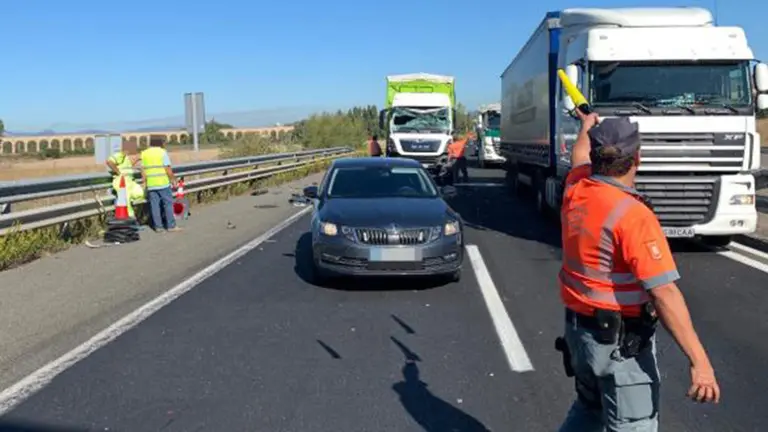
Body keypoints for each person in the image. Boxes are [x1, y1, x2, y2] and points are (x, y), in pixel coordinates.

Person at [557, 109, 720, 431]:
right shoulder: (632, 215)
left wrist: (584, 127)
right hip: (618, 345)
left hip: (580, 336)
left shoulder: (577, 189)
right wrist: (700, 362)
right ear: (638, 158)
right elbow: (664, 293)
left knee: (589, 409)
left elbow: (577, 159)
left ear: (595, 157)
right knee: (634, 425)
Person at [140, 138, 181, 232]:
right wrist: (173, 180)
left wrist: (144, 182)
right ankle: (171, 226)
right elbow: (167, 169)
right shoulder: (162, 152)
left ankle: (158, 227)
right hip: (163, 183)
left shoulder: (144, 153)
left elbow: (142, 169)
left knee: (154, 206)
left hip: (151, 184)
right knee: (168, 204)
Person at [106, 141, 144, 218]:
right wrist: (119, 173)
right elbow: (109, 162)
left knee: (141, 193)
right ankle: (129, 217)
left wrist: (137, 159)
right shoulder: (119, 155)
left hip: (130, 182)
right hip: (122, 182)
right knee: (126, 199)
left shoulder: (125, 157)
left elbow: (128, 166)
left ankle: (127, 212)